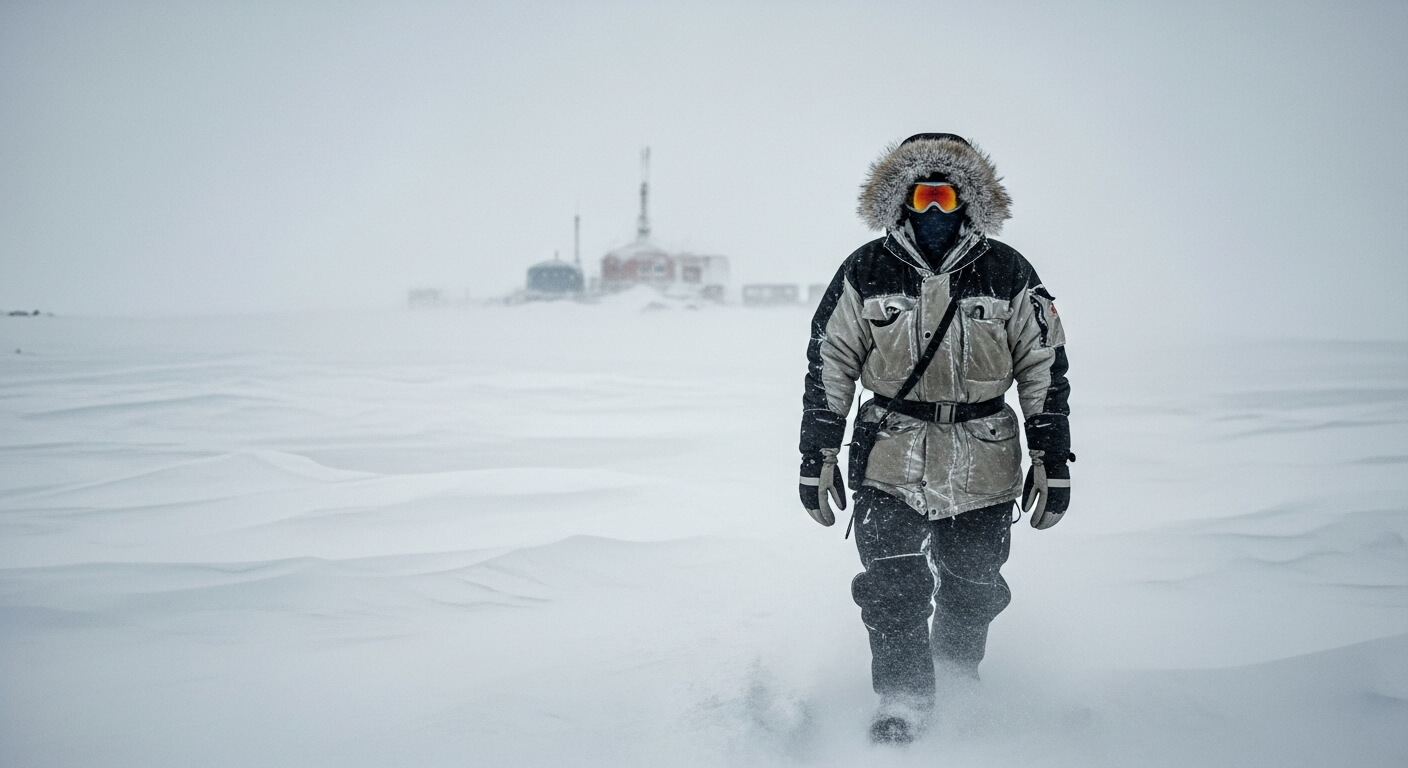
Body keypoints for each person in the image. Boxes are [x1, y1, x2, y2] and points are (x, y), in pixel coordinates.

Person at [797, 133, 1073, 745]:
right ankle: (904, 695)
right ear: (900, 201)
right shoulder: (866, 269)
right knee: (891, 585)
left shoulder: (1008, 270)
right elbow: (830, 365)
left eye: (947, 196)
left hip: (987, 458)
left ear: (969, 202)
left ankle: (956, 673)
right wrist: (816, 456)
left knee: (975, 581)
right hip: (889, 456)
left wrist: (1052, 460)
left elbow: (1044, 367)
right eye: (921, 195)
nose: (934, 211)